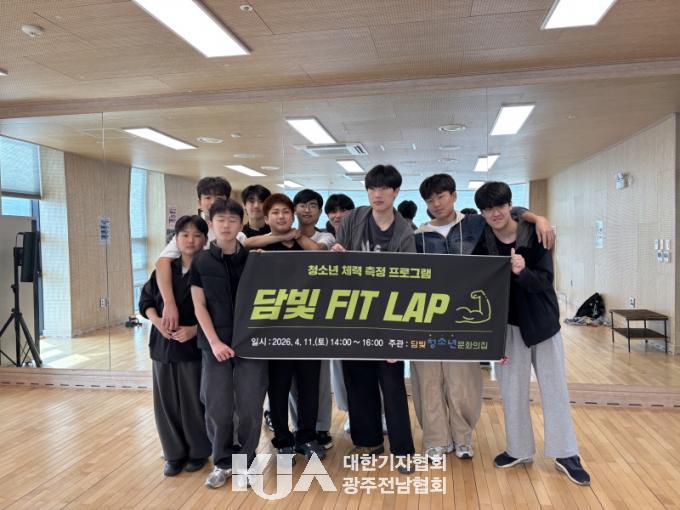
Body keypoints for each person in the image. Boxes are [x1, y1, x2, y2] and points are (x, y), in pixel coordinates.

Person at [411, 174, 555, 463]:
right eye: (430, 199)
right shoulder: (417, 236)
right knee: (428, 382)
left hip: (466, 319)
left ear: (454, 196)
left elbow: (510, 211)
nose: (436, 203)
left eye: (441, 196)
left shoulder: (475, 223)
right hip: (428, 318)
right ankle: (436, 440)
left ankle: (463, 438)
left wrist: (539, 218)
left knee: (463, 383)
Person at [472, 181, 590, 486]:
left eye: (500, 206)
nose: (495, 213)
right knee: (511, 391)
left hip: (542, 324)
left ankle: (566, 453)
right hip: (508, 326)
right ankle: (519, 449)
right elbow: (474, 279)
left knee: (554, 389)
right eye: (488, 209)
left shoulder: (536, 235)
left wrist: (523, 272)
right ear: (482, 213)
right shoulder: (484, 239)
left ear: (510, 206)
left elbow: (545, 281)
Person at [332, 164, 415, 474]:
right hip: (354, 314)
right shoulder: (354, 218)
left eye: (384, 188)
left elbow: (409, 282)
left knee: (392, 385)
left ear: (395, 191)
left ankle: (403, 450)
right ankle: (368, 442)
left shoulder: (405, 231)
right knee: (358, 382)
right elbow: (339, 262)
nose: (377, 194)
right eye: (372, 188)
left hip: (388, 318)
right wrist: (337, 253)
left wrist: (399, 332)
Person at [190, 199, 267, 489]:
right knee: (217, 407)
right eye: (220, 219)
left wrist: (266, 262)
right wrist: (214, 342)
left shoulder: (254, 259)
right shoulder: (201, 261)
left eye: (232, 220)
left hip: (251, 344)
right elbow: (199, 305)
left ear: (240, 223)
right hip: (215, 344)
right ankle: (222, 462)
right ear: (210, 223)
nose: (226, 225)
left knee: (250, 406)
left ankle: (247, 462)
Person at [139, 215, 212, 477]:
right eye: (185, 235)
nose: (190, 240)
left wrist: (194, 330)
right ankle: (173, 454)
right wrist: (157, 321)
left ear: (205, 240)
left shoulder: (209, 270)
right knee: (165, 404)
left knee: (193, 401)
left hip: (193, 348)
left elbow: (219, 310)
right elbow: (146, 301)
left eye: (197, 235)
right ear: (176, 239)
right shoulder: (163, 270)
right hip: (163, 346)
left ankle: (198, 452)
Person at [258, 193, 327, 462]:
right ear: (266, 218)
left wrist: (296, 236)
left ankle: (306, 437)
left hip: (309, 330)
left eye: (285, 211)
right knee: (278, 389)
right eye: (275, 213)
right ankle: (283, 439)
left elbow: (320, 254)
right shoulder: (260, 249)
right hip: (276, 333)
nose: (281, 216)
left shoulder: (304, 243)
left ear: (293, 215)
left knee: (309, 387)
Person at [156, 177, 246, 333]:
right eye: (207, 197)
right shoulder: (192, 229)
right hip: (193, 304)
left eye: (219, 197)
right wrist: (169, 303)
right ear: (199, 202)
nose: (213, 202)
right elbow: (162, 262)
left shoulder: (238, 235)